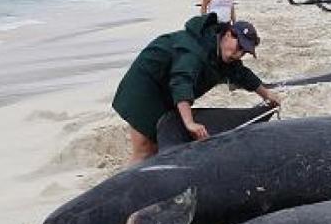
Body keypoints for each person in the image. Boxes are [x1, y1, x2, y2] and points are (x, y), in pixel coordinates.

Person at [112, 15, 281, 163]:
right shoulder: (196, 50)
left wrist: (266, 94)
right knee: (144, 148)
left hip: (166, 90)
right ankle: (121, 193)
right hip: (144, 85)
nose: (237, 55)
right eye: (238, 48)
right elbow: (181, 81)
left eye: (243, 52)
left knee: (160, 143)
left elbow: (241, 73)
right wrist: (189, 123)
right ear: (229, 34)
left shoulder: (221, 51)